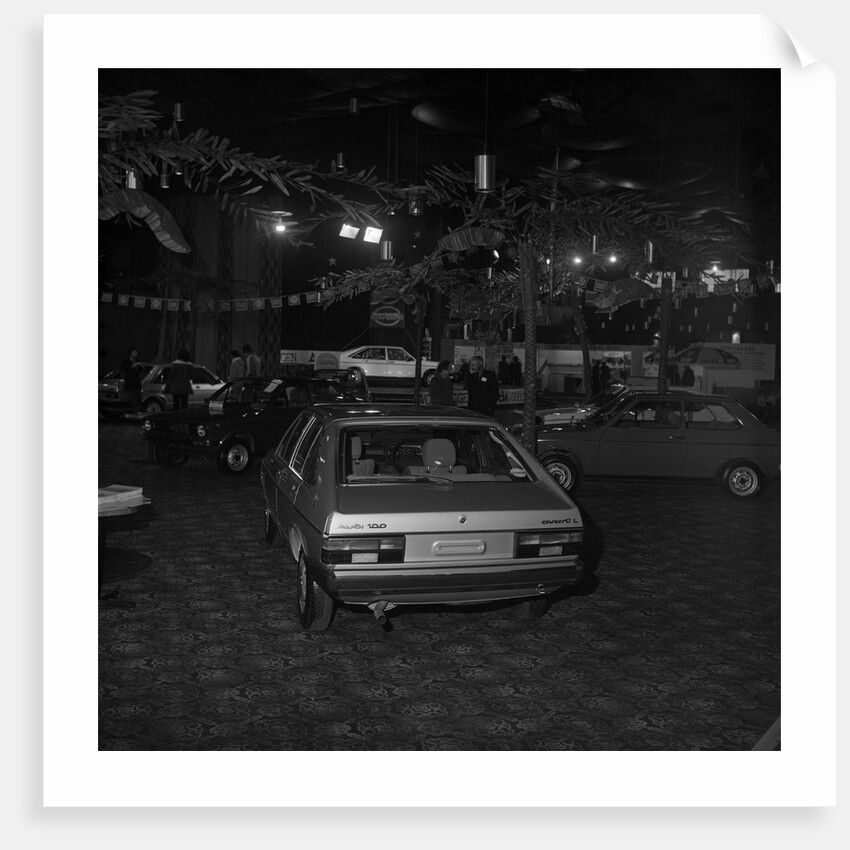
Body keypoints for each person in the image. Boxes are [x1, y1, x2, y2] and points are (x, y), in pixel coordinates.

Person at [120, 347, 145, 413]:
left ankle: (138, 413)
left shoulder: (138, 361)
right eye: (134, 352)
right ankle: (134, 415)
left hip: (137, 384)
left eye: (136, 352)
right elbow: (125, 369)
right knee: (133, 400)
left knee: (138, 400)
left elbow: (142, 370)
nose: (136, 354)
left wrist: (141, 366)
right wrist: (134, 365)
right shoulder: (126, 361)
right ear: (130, 353)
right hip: (130, 384)